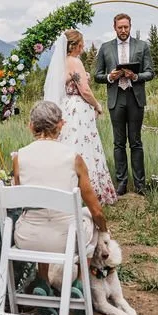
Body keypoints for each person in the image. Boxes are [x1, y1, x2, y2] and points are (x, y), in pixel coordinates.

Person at [12, 101, 108, 287]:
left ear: (31, 126)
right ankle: (80, 284)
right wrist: (103, 229)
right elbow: (96, 211)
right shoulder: (73, 158)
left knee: (39, 214)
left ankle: (42, 282)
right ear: (60, 125)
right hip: (66, 239)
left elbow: (20, 198)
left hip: (27, 239)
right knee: (90, 219)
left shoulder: (19, 157)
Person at [44, 29, 118, 205]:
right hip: (78, 108)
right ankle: (88, 191)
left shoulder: (60, 63)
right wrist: (97, 105)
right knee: (84, 146)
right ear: (75, 46)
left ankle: (64, 188)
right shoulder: (75, 62)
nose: (83, 48)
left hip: (65, 107)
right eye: (82, 45)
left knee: (68, 143)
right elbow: (84, 89)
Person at [92, 14, 155, 196]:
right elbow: (97, 75)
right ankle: (121, 183)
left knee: (135, 142)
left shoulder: (142, 46)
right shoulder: (105, 48)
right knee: (118, 143)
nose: (123, 30)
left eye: (126, 27)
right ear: (114, 27)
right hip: (116, 97)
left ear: (130, 26)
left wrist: (135, 76)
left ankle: (140, 184)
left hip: (135, 97)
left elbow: (150, 73)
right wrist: (110, 77)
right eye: (120, 27)